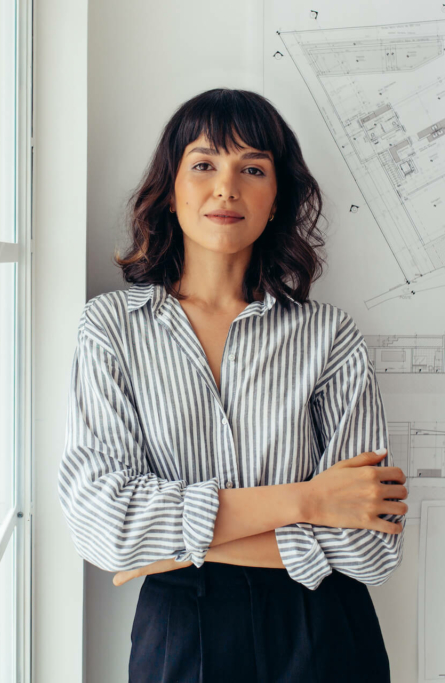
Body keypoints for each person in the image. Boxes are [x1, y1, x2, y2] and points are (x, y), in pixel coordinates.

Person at [56, 88, 408, 682]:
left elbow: (370, 549)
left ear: (278, 198)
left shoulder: (329, 335)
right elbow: (105, 525)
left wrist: (173, 551)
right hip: (179, 638)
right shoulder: (112, 328)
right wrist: (309, 500)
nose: (226, 187)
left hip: (324, 631)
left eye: (252, 168)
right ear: (170, 191)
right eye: (203, 165)